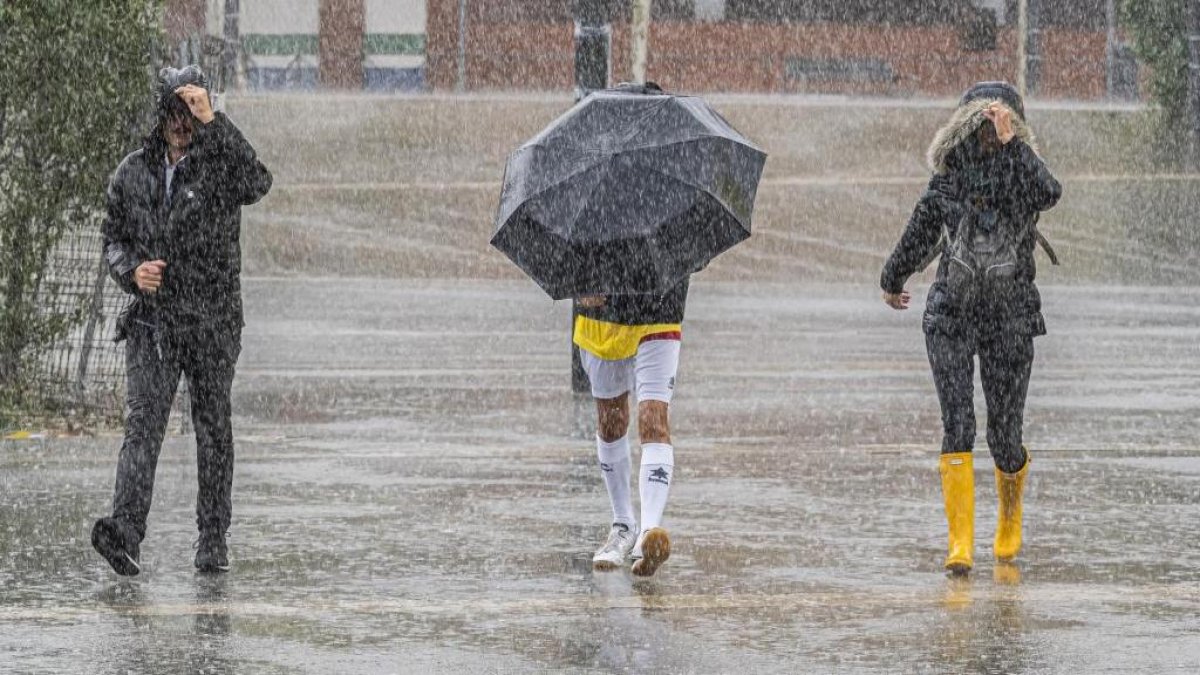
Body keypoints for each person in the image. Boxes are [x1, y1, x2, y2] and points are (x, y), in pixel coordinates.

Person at [91, 66, 272, 575]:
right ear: (160, 114)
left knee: (212, 428)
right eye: (174, 111)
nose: (181, 123)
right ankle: (125, 532)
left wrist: (217, 124)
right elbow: (113, 239)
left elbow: (258, 181)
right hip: (153, 323)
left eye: (191, 111)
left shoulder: (219, 164)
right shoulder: (132, 172)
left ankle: (213, 538)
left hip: (212, 321)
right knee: (143, 426)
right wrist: (132, 273)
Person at [880, 81, 1061, 575]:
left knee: (1005, 435)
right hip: (952, 316)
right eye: (980, 122)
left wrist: (1013, 146)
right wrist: (892, 277)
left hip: (1010, 318)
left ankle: (1009, 513)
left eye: (997, 122)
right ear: (963, 125)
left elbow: (1051, 193)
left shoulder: (1023, 172)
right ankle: (959, 543)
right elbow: (920, 229)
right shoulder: (951, 176)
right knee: (958, 425)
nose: (988, 130)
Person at [576, 278, 688, 577]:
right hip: (602, 320)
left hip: (659, 311)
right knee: (611, 422)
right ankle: (623, 525)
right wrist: (578, 285)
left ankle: (649, 533)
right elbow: (566, 252)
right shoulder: (590, 228)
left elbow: (693, 247)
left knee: (654, 418)